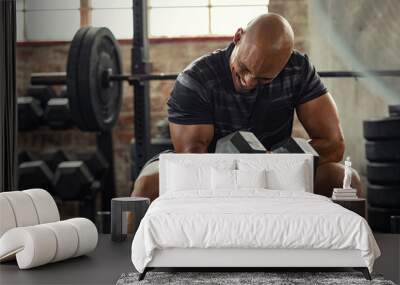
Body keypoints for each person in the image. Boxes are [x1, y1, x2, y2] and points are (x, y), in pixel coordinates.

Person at [131, 13, 362, 202]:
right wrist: (245, 169)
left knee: (343, 178)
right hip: (212, 170)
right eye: (243, 68)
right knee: (147, 184)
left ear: (285, 62)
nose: (249, 81)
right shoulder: (197, 78)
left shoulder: (298, 71)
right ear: (238, 37)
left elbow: (333, 145)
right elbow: (192, 159)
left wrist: (277, 159)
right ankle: (134, 255)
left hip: (276, 170)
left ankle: (353, 255)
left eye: (263, 79)